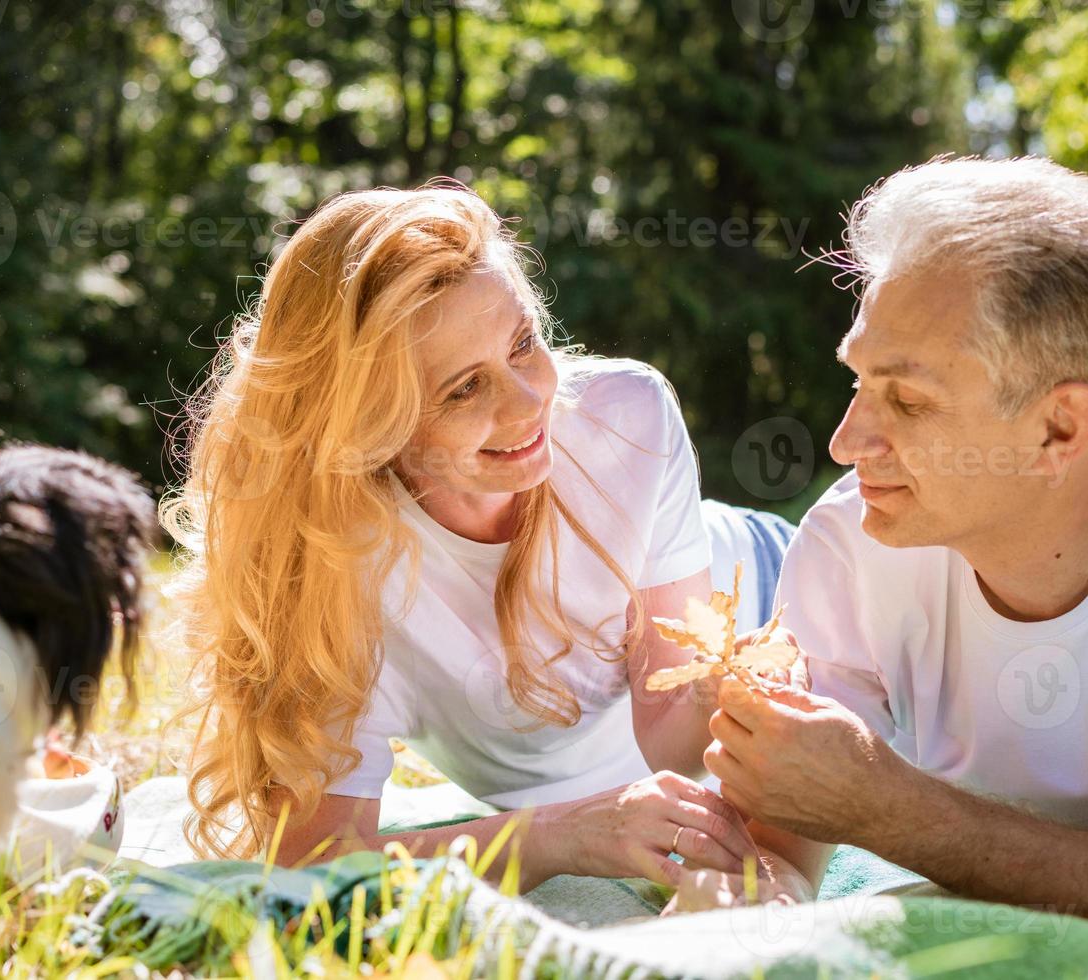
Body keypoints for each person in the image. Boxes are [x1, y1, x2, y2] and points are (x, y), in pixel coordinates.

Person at [700, 156, 1088, 937]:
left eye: (909, 401)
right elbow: (780, 847)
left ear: (1060, 429)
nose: (846, 443)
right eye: (858, 383)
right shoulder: (853, 541)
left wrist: (899, 814)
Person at [162, 182, 825, 899]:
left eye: (523, 344)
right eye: (463, 390)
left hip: (783, 583)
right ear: (366, 429)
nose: (529, 400)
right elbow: (313, 859)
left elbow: (670, 732)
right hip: (611, 782)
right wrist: (560, 833)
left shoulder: (624, 417)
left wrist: (725, 692)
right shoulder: (333, 567)